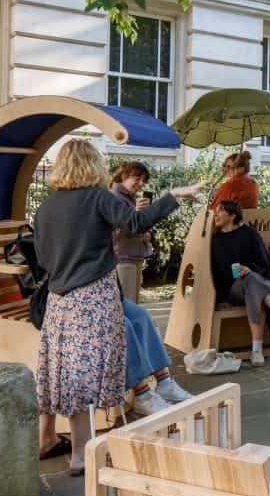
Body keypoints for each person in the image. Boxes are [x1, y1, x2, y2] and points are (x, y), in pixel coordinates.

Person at [34, 139, 203, 476]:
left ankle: (81, 453)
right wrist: (175, 195)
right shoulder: (97, 198)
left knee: (71, 375)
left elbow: (41, 259)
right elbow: (136, 224)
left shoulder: (46, 207)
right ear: (91, 165)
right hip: (94, 297)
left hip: (58, 303)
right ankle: (124, 414)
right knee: (98, 369)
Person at [210, 200, 270, 367]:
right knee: (253, 285)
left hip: (257, 283)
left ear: (232, 215)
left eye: (219, 211)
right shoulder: (215, 241)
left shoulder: (250, 234)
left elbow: (264, 263)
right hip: (233, 290)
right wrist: (221, 299)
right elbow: (215, 274)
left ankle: (257, 352)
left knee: (252, 283)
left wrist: (249, 269)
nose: (215, 214)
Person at [109, 161, 153, 302]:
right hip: (122, 258)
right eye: (137, 178)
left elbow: (134, 227)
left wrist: (145, 233)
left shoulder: (129, 198)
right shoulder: (114, 197)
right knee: (126, 307)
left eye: (143, 181)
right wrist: (135, 213)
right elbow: (115, 227)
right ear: (124, 175)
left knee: (132, 304)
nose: (141, 184)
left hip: (134, 256)